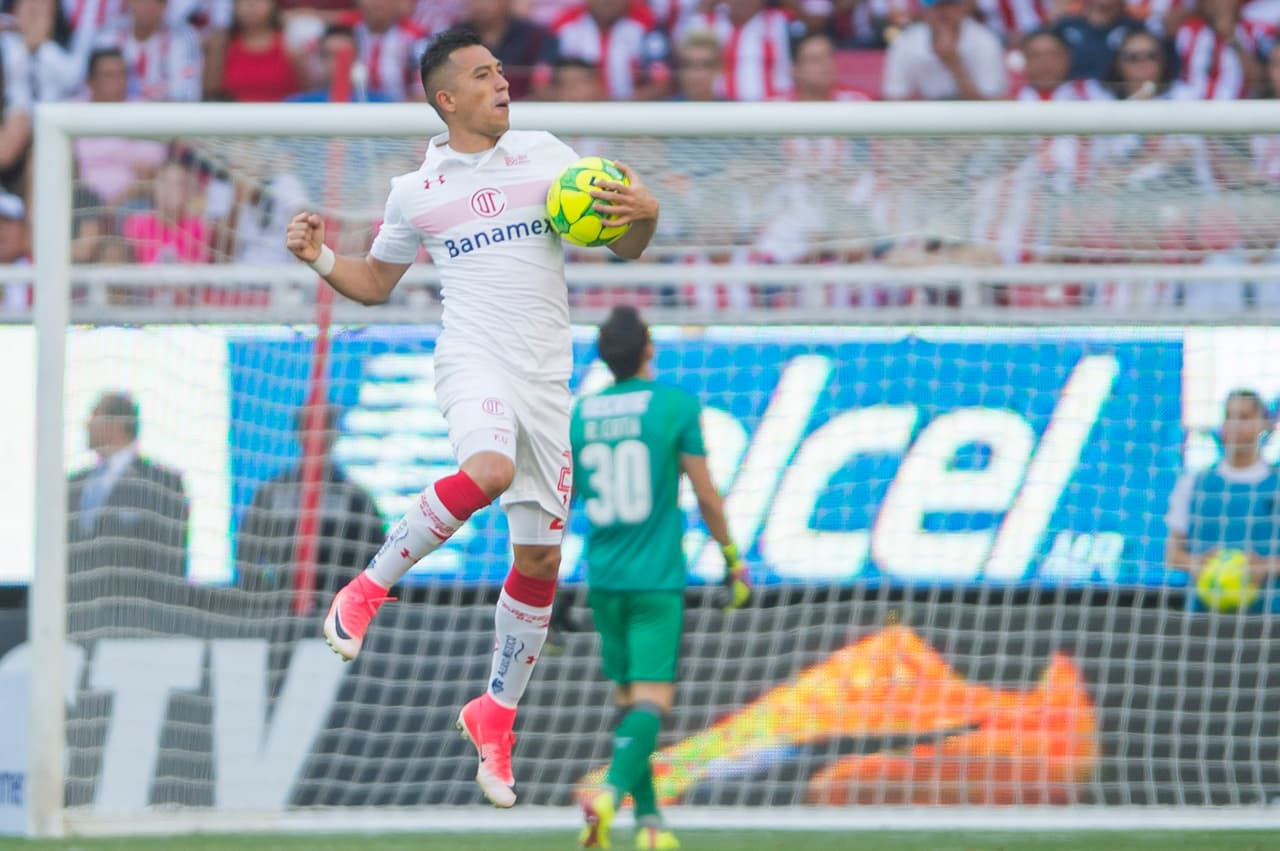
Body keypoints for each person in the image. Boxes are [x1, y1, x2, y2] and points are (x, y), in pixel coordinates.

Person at [284, 27, 660, 808]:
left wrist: (645, 213)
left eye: (501, 72)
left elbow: (628, 245)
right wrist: (319, 256)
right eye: (484, 76)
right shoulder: (415, 190)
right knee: (487, 470)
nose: (503, 84)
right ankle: (367, 587)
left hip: (546, 384)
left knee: (540, 563)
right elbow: (375, 281)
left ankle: (495, 714)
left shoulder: (550, 156)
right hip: (472, 359)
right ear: (448, 98)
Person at [570, 306, 749, 851]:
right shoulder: (674, 404)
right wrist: (732, 557)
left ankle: (650, 826)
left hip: (604, 576)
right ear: (649, 347)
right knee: (652, 702)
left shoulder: (582, 414)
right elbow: (706, 494)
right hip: (656, 579)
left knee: (629, 704)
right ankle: (610, 793)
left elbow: (562, 500)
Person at [236, 404, 385, 610]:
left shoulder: (356, 499)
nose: (319, 435)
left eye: (326, 426)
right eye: (310, 426)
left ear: (335, 433)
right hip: (279, 611)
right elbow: (247, 553)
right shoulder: (271, 494)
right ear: (298, 432)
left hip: (340, 612)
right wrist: (267, 598)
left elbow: (379, 560)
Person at [66, 391, 190, 621]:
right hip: (74, 619)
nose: (87, 425)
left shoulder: (160, 482)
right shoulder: (72, 484)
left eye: (95, 417)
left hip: (133, 621)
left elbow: (169, 561)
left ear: (117, 424)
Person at [1166, 388, 1280, 611]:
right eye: (1229, 416)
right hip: (1204, 617)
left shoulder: (1275, 484)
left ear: (1264, 425)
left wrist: (1265, 566)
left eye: (1244, 417)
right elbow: (1172, 554)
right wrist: (1198, 564)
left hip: (1268, 617)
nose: (1235, 425)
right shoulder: (1193, 483)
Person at [881, 0, 1007, 100]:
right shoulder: (907, 42)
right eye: (937, 6)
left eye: (949, 5)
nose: (943, 12)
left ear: (963, 8)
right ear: (925, 11)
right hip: (924, 121)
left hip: (973, 122)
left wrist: (954, 64)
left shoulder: (985, 42)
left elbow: (992, 106)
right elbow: (895, 98)